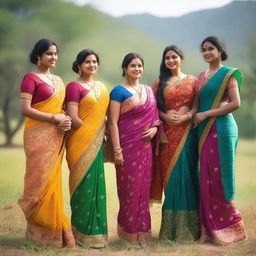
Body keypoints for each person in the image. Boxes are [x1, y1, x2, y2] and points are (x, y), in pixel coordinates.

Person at [18, 38, 75, 248]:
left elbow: (59, 110)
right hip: (37, 136)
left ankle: (54, 232)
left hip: (56, 136)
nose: (53, 57)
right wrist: (53, 118)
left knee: (52, 182)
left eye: (55, 53)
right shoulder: (30, 78)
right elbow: (24, 109)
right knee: (38, 180)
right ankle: (38, 231)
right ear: (38, 56)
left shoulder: (59, 81)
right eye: (49, 53)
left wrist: (65, 118)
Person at [194, 36, 247, 245]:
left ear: (220, 51)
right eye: (204, 49)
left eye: (211, 49)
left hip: (222, 128)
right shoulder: (201, 76)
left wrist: (207, 114)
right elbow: (196, 105)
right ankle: (206, 230)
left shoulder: (228, 74)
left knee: (220, 175)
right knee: (204, 176)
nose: (207, 52)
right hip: (203, 130)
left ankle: (230, 226)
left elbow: (236, 103)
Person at [108, 53, 160, 245]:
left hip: (145, 148)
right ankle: (128, 232)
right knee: (128, 190)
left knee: (143, 190)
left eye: (139, 65)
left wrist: (155, 129)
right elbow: (112, 123)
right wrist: (117, 150)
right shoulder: (118, 91)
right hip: (126, 148)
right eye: (132, 66)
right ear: (125, 69)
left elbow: (155, 116)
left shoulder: (148, 90)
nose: (137, 69)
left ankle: (143, 233)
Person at [150, 45, 200, 241]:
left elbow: (197, 104)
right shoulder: (159, 83)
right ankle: (170, 232)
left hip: (187, 134)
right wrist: (165, 115)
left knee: (188, 178)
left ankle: (190, 231)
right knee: (171, 180)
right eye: (167, 58)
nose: (170, 60)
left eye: (174, 57)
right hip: (167, 136)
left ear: (181, 59)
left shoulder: (193, 81)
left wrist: (187, 114)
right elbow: (153, 107)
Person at [65, 49, 109, 248]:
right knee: (83, 187)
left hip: (97, 142)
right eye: (87, 62)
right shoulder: (74, 86)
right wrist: (89, 133)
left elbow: (105, 115)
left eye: (94, 61)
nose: (92, 65)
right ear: (79, 65)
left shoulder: (101, 87)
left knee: (96, 187)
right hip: (80, 142)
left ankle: (97, 234)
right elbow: (73, 117)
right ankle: (79, 232)